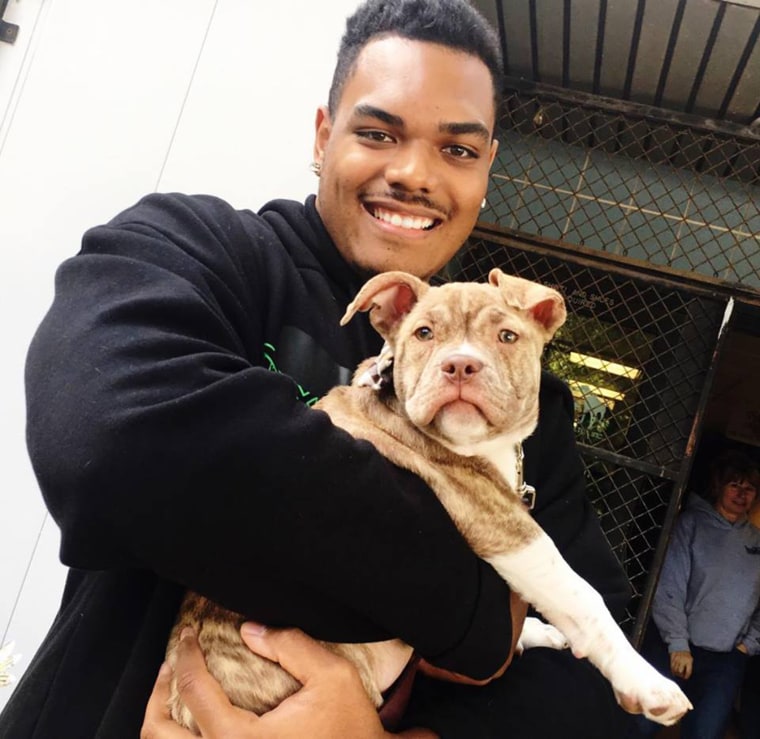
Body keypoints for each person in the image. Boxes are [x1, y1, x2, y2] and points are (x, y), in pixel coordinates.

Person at [0, 1, 632, 737]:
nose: (414, 173)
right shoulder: (201, 251)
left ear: (487, 169)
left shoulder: (525, 401)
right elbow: (113, 439)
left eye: (457, 150)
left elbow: (594, 680)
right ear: (324, 134)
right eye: (377, 132)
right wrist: (484, 610)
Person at [626, 450, 760, 739]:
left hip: (726, 658)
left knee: (705, 733)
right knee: (642, 724)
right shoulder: (691, 525)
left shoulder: (757, 541)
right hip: (672, 647)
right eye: (734, 485)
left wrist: (750, 644)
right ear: (718, 487)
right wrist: (678, 644)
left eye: (749, 489)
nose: (741, 494)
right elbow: (669, 586)